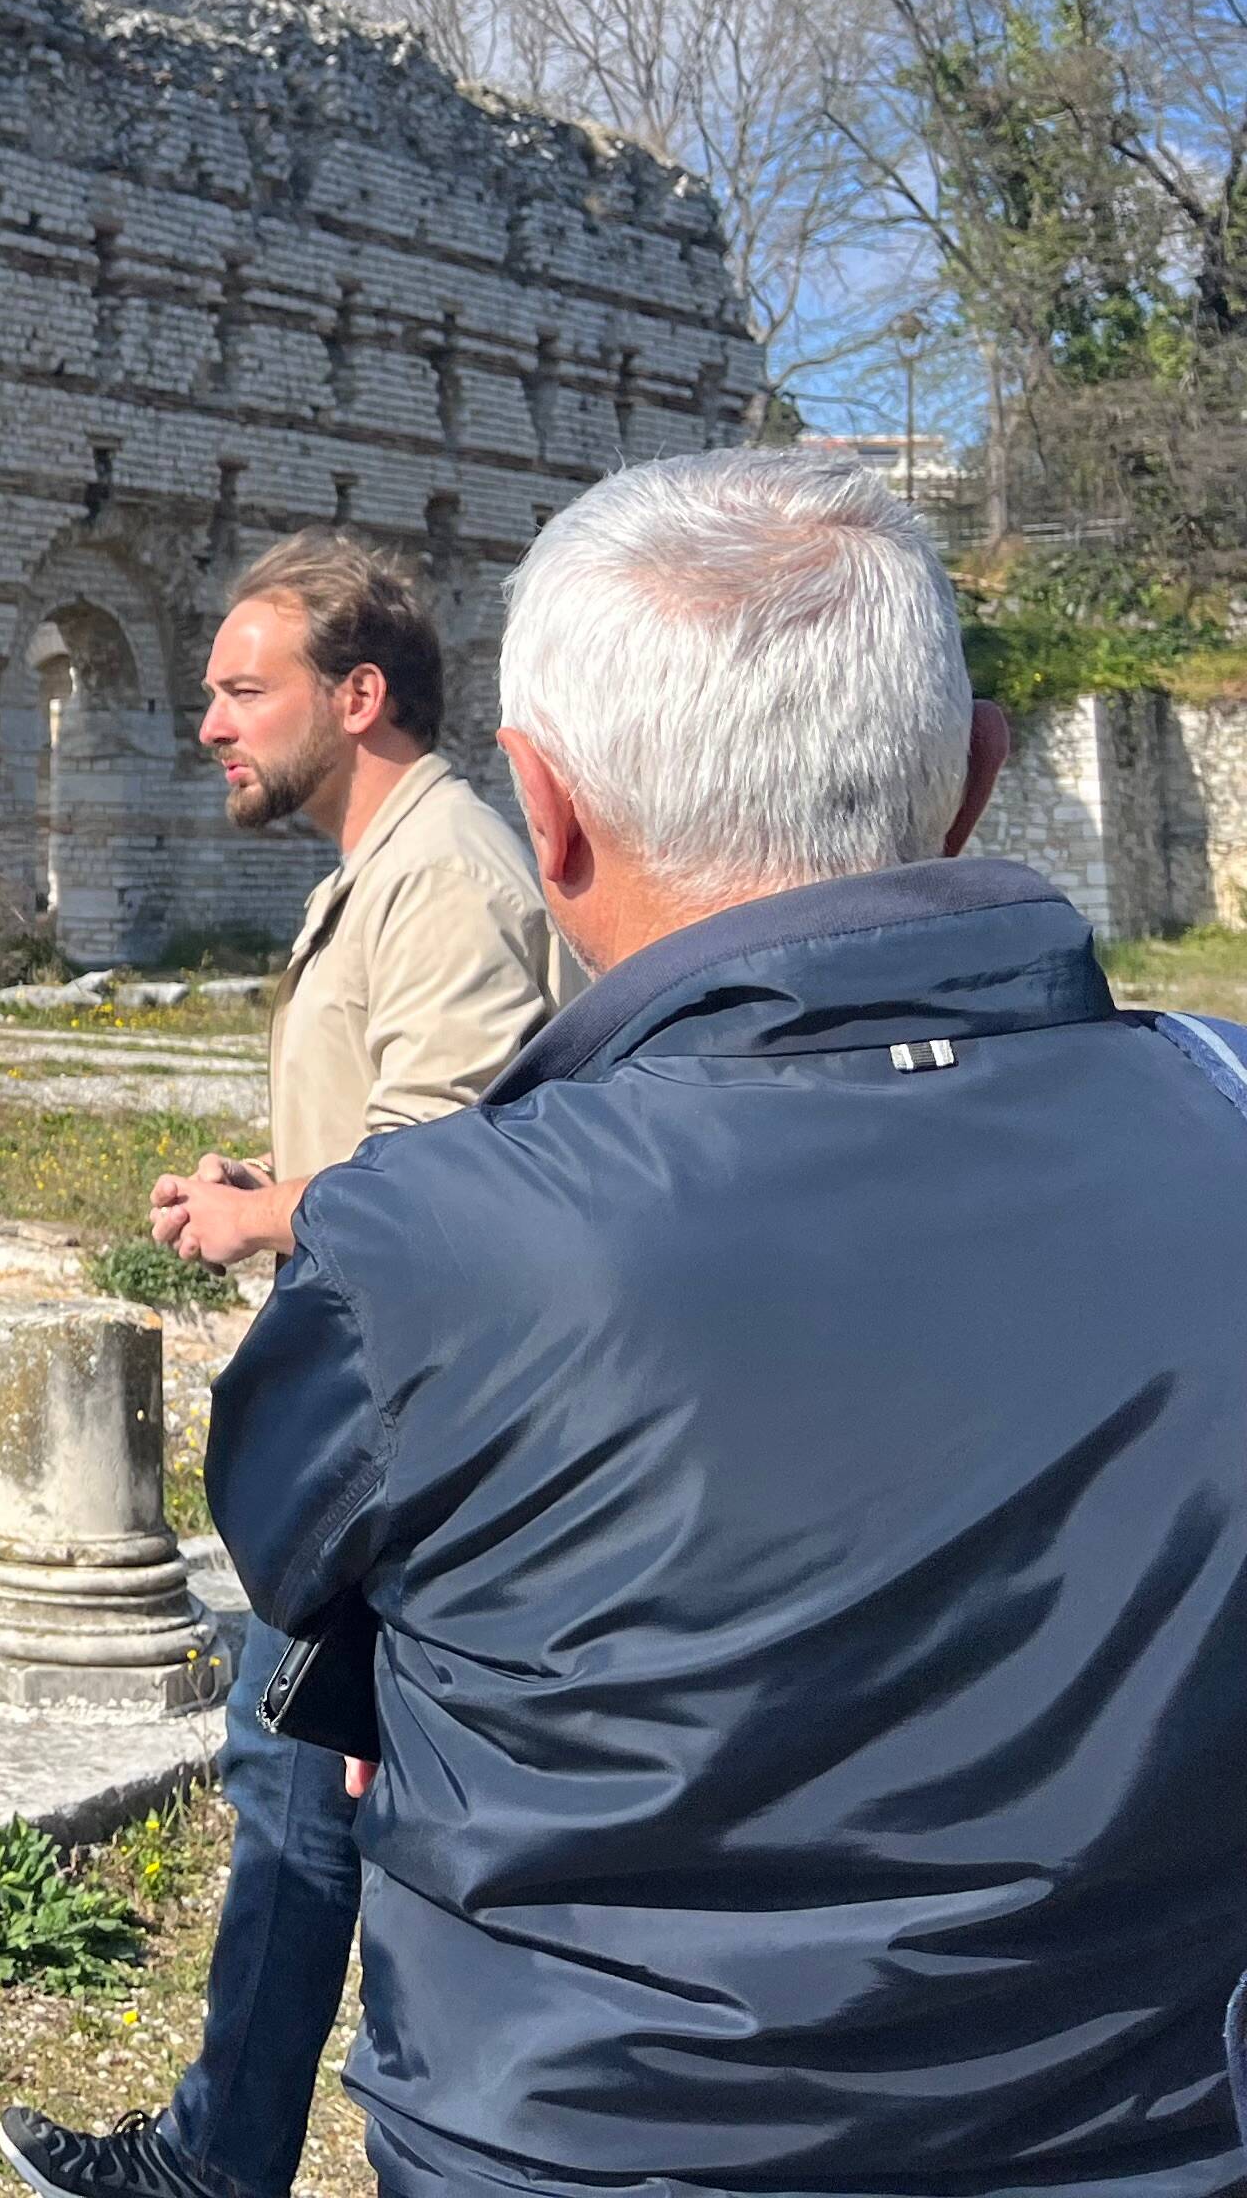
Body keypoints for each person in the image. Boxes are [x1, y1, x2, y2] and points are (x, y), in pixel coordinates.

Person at [209, 449, 1247, 2194]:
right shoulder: (1225, 1124)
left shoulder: (427, 1242)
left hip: (591, 2145)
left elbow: (291, 1557)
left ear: (544, 815)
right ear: (980, 777)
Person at [4, 534, 557, 2198]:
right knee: (294, 1796)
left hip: (416, 1448)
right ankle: (221, 2151)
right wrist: (280, 1194)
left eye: (245, 692)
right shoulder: (382, 866)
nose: (208, 727)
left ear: (361, 695)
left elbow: (459, 1177)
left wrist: (273, 1213)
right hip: (366, 1431)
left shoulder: (448, 870)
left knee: (342, 1811)